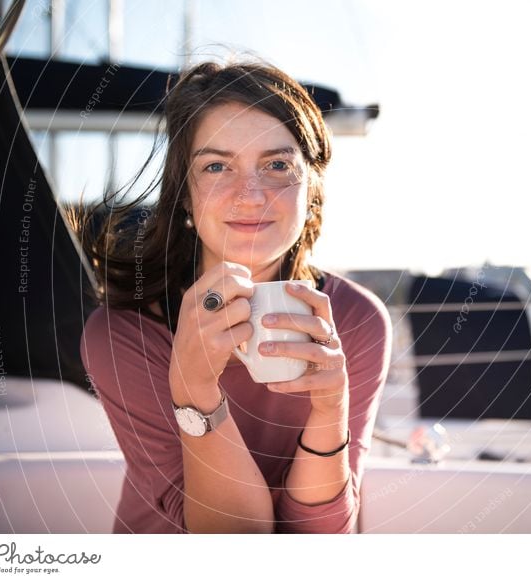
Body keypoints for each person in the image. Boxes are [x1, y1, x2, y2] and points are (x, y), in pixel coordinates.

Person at [77, 59, 392, 534]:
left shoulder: (355, 319)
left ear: (312, 189)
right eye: (217, 165)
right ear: (184, 194)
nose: (250, 194)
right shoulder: (125, 334)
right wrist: (193, 390)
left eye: (278, 165)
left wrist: (332, 412)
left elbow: (323, 540)